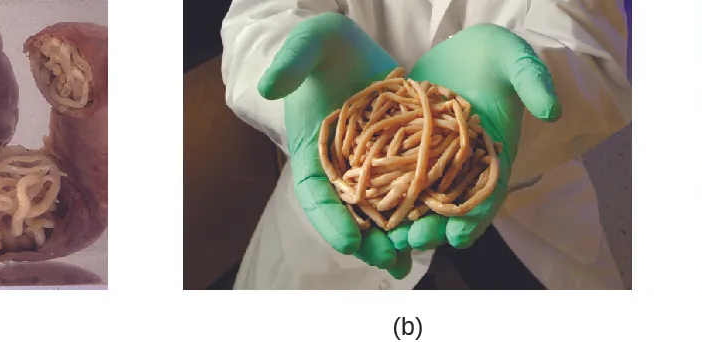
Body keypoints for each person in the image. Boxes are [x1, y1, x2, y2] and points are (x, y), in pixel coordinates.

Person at [220, 0, 631, 290]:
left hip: (533, 202)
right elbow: (258, 18)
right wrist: (291, 60)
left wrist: (527, 78)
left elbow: (594, 54)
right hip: (345, 196)